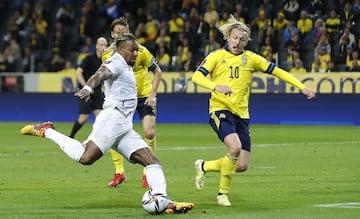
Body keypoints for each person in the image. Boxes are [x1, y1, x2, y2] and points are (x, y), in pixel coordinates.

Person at [20, 33, 194, 214]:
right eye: (131, 50)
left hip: (124, 125)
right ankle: (48, 130)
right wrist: (88, 87)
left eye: (136, 49)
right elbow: (101, 73)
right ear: (120, 49)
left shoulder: (127, 65)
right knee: (85, 158)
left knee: (152, 161)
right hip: (112, 120)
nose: (135, 53)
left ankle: (163, 201)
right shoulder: (116, 61)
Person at [191, 15, 315, 207]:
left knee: (241, 165)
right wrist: (216, 86)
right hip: (220, 109)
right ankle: (222, 195)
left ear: (246, 41)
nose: (238, 42)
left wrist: (301, 86)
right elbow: (197, 77)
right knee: (234, 148)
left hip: (242, 115)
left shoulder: (251, 58)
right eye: (235, 38)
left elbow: (278, 71)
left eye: (242, 39)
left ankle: (204, 166)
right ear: (228, 37)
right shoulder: (215, 56)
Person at [103, 17, 162, 189]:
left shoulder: (141, 51)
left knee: (149, 133)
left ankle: (147, 172)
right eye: (118, 32)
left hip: (143, 96)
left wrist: (153, 94)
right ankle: (119, 172)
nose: (122, 35)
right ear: (112, 35)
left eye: (125, 32)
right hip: (121, 100)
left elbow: (157, 71)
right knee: (112, 135)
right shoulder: (107, 54)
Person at [69, 37, 108, 139]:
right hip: (86, 93)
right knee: (83, 118)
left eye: (105, 45)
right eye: (102, 45)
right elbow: (78, 72)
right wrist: (86, 87)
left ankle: (97, 141)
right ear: (96, 46)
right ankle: (71, 136)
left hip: (97, 93)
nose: (104, 47)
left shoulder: (106, 61)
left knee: (100, 119)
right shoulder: (89, 58)